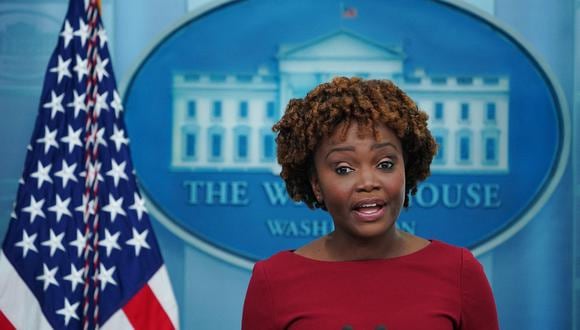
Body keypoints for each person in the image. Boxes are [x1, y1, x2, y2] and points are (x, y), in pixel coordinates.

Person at [241, 77, 499, 330]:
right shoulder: (273, 280)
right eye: (343, 169)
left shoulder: (460, 272)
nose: (367, 181)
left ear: (406, 170)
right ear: (316, 184)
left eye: (385, 164)